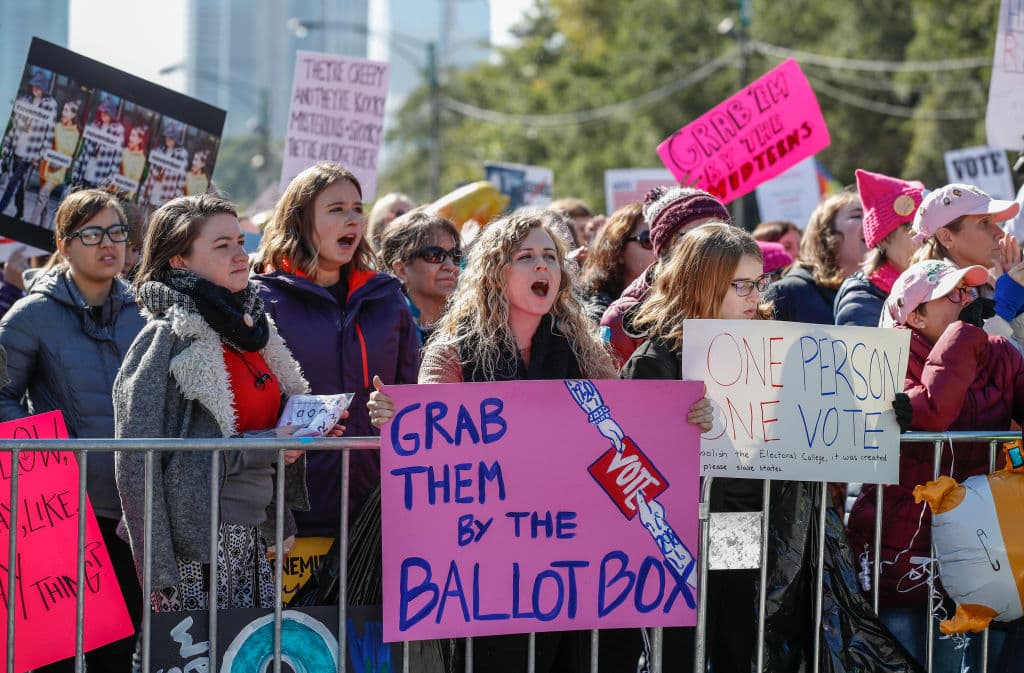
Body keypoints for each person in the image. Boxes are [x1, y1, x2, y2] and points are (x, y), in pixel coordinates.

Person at [367, 208, 713, 672]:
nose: (543, 266)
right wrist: (394, 416)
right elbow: (434, 442)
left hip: (581, 572)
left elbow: (626, 433)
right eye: (526, 256)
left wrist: (685, 419)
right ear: (495, 271)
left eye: (550, 256)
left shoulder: (583, 350)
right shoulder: (455, 352)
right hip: (492, 581)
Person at [624, 221, 919, 673]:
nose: (753, 296)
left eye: (757, 283)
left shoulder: (772, 346)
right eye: (740, 285)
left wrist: (883, 409)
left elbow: (820, 419)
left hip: (744, 523)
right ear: (701, 283)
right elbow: (634, 465)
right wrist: (678, 428)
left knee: (740, 643)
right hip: (677, 537)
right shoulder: (655, 360)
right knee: (681, 652)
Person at [114, 194, 329, 614]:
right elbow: (135, 463)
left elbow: (259, 442)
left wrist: (295, 442)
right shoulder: (167, 339)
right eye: (222, 245)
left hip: (246, 536)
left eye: (240, 241)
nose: (241, 254)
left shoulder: (251, 333)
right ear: (179, 261)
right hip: (194, 545)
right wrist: (157, 566)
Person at [847, 258, 1024, 672]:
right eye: (952, 294)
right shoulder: (884, 357)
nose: (966, 301)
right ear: (914, 314)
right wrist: (965, 334)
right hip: (906, 545)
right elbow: (931, 412)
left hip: (984, 547)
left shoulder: (998, 352)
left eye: (969, 292)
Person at [0, 188, 145, 671]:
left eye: (118, 232)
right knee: (56, 656)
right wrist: (47, 452)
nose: (109, 244)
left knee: (117, 654)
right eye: (93, 234)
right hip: (60, 515)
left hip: (131, 514)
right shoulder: (30, 315)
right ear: (64, 244)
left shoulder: (146, 314)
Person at [252, 161, 419, 539]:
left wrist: (397, 407)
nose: (352, 220)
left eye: (358, 209)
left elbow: (413, 394)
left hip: (376, 507)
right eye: (336, 209)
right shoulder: (263, 299)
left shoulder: (388, 299)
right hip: (288, 513)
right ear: (300, 219)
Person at [599, 186, 730, 366]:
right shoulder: (624, 318)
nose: (715, 246)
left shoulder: (746, 297)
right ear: (667, 247)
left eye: (722, 235)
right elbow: (613, 392)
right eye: (698, 236)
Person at [907, 183, 1024, 348]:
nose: (1000, 233)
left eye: (994, 222)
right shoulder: (933, 296)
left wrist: (1018, 307)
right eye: (984, 223)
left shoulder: (983, 283)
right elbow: (966, 359)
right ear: (946, 237)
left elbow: (1014, 360)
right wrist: (1003, 306)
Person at [834, 169, 924, 327]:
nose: (924, 238)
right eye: (912, 228)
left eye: (929, 227)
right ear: (882, 240)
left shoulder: (945, 284)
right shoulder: (861, 300)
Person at [765, 190, 864, 324]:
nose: (870, 221)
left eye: (869, 214)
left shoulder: (881, 291)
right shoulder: (786, 294)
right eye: (858, 215)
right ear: (827, 233)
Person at [379, 208, 461, 346]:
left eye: (455, 255)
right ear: (402, 270)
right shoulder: (381, 330)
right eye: (435, 255)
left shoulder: (474, 325)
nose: (451, 266)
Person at [578, 202, 655, 324]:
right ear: (618, 251)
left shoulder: (684, 301)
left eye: (665, 239)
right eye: (648, 240)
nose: (660, 248)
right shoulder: (591, 313)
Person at [0, 70, 58, 219]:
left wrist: (39, 156)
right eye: (34, 85)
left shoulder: (50, 105)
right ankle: (20, 212)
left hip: (31, 153)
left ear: (44, 88)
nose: (36, 88)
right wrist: (7, 147)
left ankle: (1, 207)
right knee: (18, 185)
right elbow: (16, 126)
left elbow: (49, 134)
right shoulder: (25, 100)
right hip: (18, 147)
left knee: (12, 182)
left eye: (39, 86)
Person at [32, 98, 82, 228]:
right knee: (44, 199)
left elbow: (67, 153)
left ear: (73, 115)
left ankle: (29, 223)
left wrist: (58, 162)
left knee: (42, 195)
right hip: (46, 165)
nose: (63, 113)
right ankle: (43, 227)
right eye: (63, 110)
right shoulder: (57, 126)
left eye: (66, 110)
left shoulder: (75, 133)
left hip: (57, 170)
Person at [71, 97, 125, 190]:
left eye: (107, 112)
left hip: (101, 173)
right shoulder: (94, 126)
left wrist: (108, 181)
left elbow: (116, 160)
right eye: (103, 111)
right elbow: (84, 151)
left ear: (112, 114)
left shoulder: (117, 131)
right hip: (87, 168)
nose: (104, 114)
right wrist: (76, 170)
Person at [141, 121, 189, 206]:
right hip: (152, 194)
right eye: (167, 135)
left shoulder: (181, 156)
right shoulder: (159, 151)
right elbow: (150, 176)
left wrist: (174, 204)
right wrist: (143, 195)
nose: (168, 138)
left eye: (171, 136)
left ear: (176, 138)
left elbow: (180, 184)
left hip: (166, 201)